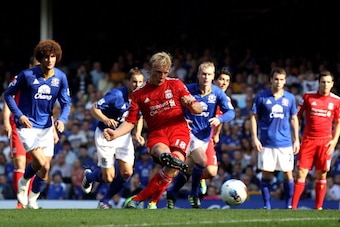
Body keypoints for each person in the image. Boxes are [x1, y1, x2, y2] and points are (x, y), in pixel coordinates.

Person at [103, 51, 202, 209]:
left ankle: (139, 200)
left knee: (173, 166)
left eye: (165, 72)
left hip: (179, 131)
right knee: (165, 155)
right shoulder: (139, 94)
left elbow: (197, 108)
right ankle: (149, 197)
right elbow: (130, 122)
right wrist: (115, 133)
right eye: (158, 72)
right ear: (149, 69)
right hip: (157, 134)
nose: (162, 76)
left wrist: (190, 104)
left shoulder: (176, 84)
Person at [4, 39, 71, 209]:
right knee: (40, 162)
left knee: (45, 168)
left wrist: (62, 119)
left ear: (57, 58)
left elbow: (66, 103)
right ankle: (24, 182)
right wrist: (19, 115)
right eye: (46, 57)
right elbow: (8, 95)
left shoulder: (61, 77)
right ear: (40, 58)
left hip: (46, 128)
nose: (49, 60)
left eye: (53, 57)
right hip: (27, 127)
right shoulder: (26, 75)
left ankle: (33, 199)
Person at [166, 65, 235, 209]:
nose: (206, 77)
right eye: (203, 74)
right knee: (202, 161)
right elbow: (172, 106)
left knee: (193, 169)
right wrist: (182, 119)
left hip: (205, 136)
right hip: (188, 133)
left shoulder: (218, 93)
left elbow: (230, 112)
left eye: (209, 74)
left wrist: (219, 120)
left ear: (212, 76)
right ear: (198, 74)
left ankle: (172, 192)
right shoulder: (188, 90)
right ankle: (194, 193)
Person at [81, 67, 145, 209]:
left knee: (127, 172)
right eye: (134, 82)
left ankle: (104, 201)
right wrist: (105, 119)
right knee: (108, 177)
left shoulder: (141, 97)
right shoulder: (116, 95)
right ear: (127, 81)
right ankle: (90, 176)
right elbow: (93, 108)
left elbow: (139, 117)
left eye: (140, 82)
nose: (137, 85)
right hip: (106, 135)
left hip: (123, 135)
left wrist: (138, 134)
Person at [250, 67, 300, 209]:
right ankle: (267, 205)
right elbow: (253, 118)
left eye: (281, 79)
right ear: (270, 80)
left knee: (288, 174)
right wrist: (255, 138)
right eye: (276, 79)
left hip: (285, 143)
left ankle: (289, 205)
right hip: (266, 142)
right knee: (266, 174)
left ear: (285, 81)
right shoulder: (261, 97)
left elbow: (294, 119)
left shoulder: (290, 98)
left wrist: (296, 139)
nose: (278, 82)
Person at [291, 70, 340, 210]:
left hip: (325, 142)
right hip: (308, 140)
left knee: (321, 173)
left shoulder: (336, 101)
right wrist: (297, 135)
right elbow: (296, 116)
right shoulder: (307, 97)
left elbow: (338, 122)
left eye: (328, 82)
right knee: (301, 172)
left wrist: (334, 141)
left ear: (332, 84)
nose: (325, 85)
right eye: (323, 82)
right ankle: (293, 207)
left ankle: (318, 207)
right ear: (318, 83)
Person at [2, 56, 40, 208]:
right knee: (20, 163)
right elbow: (8, 99)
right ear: (30, 65)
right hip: (17, 125)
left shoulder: (46, 82)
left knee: (35, 164)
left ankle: (30, 200)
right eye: (37, 64)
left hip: (36, 126)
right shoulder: (21, 78)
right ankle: (20, 202)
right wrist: (6, 122)